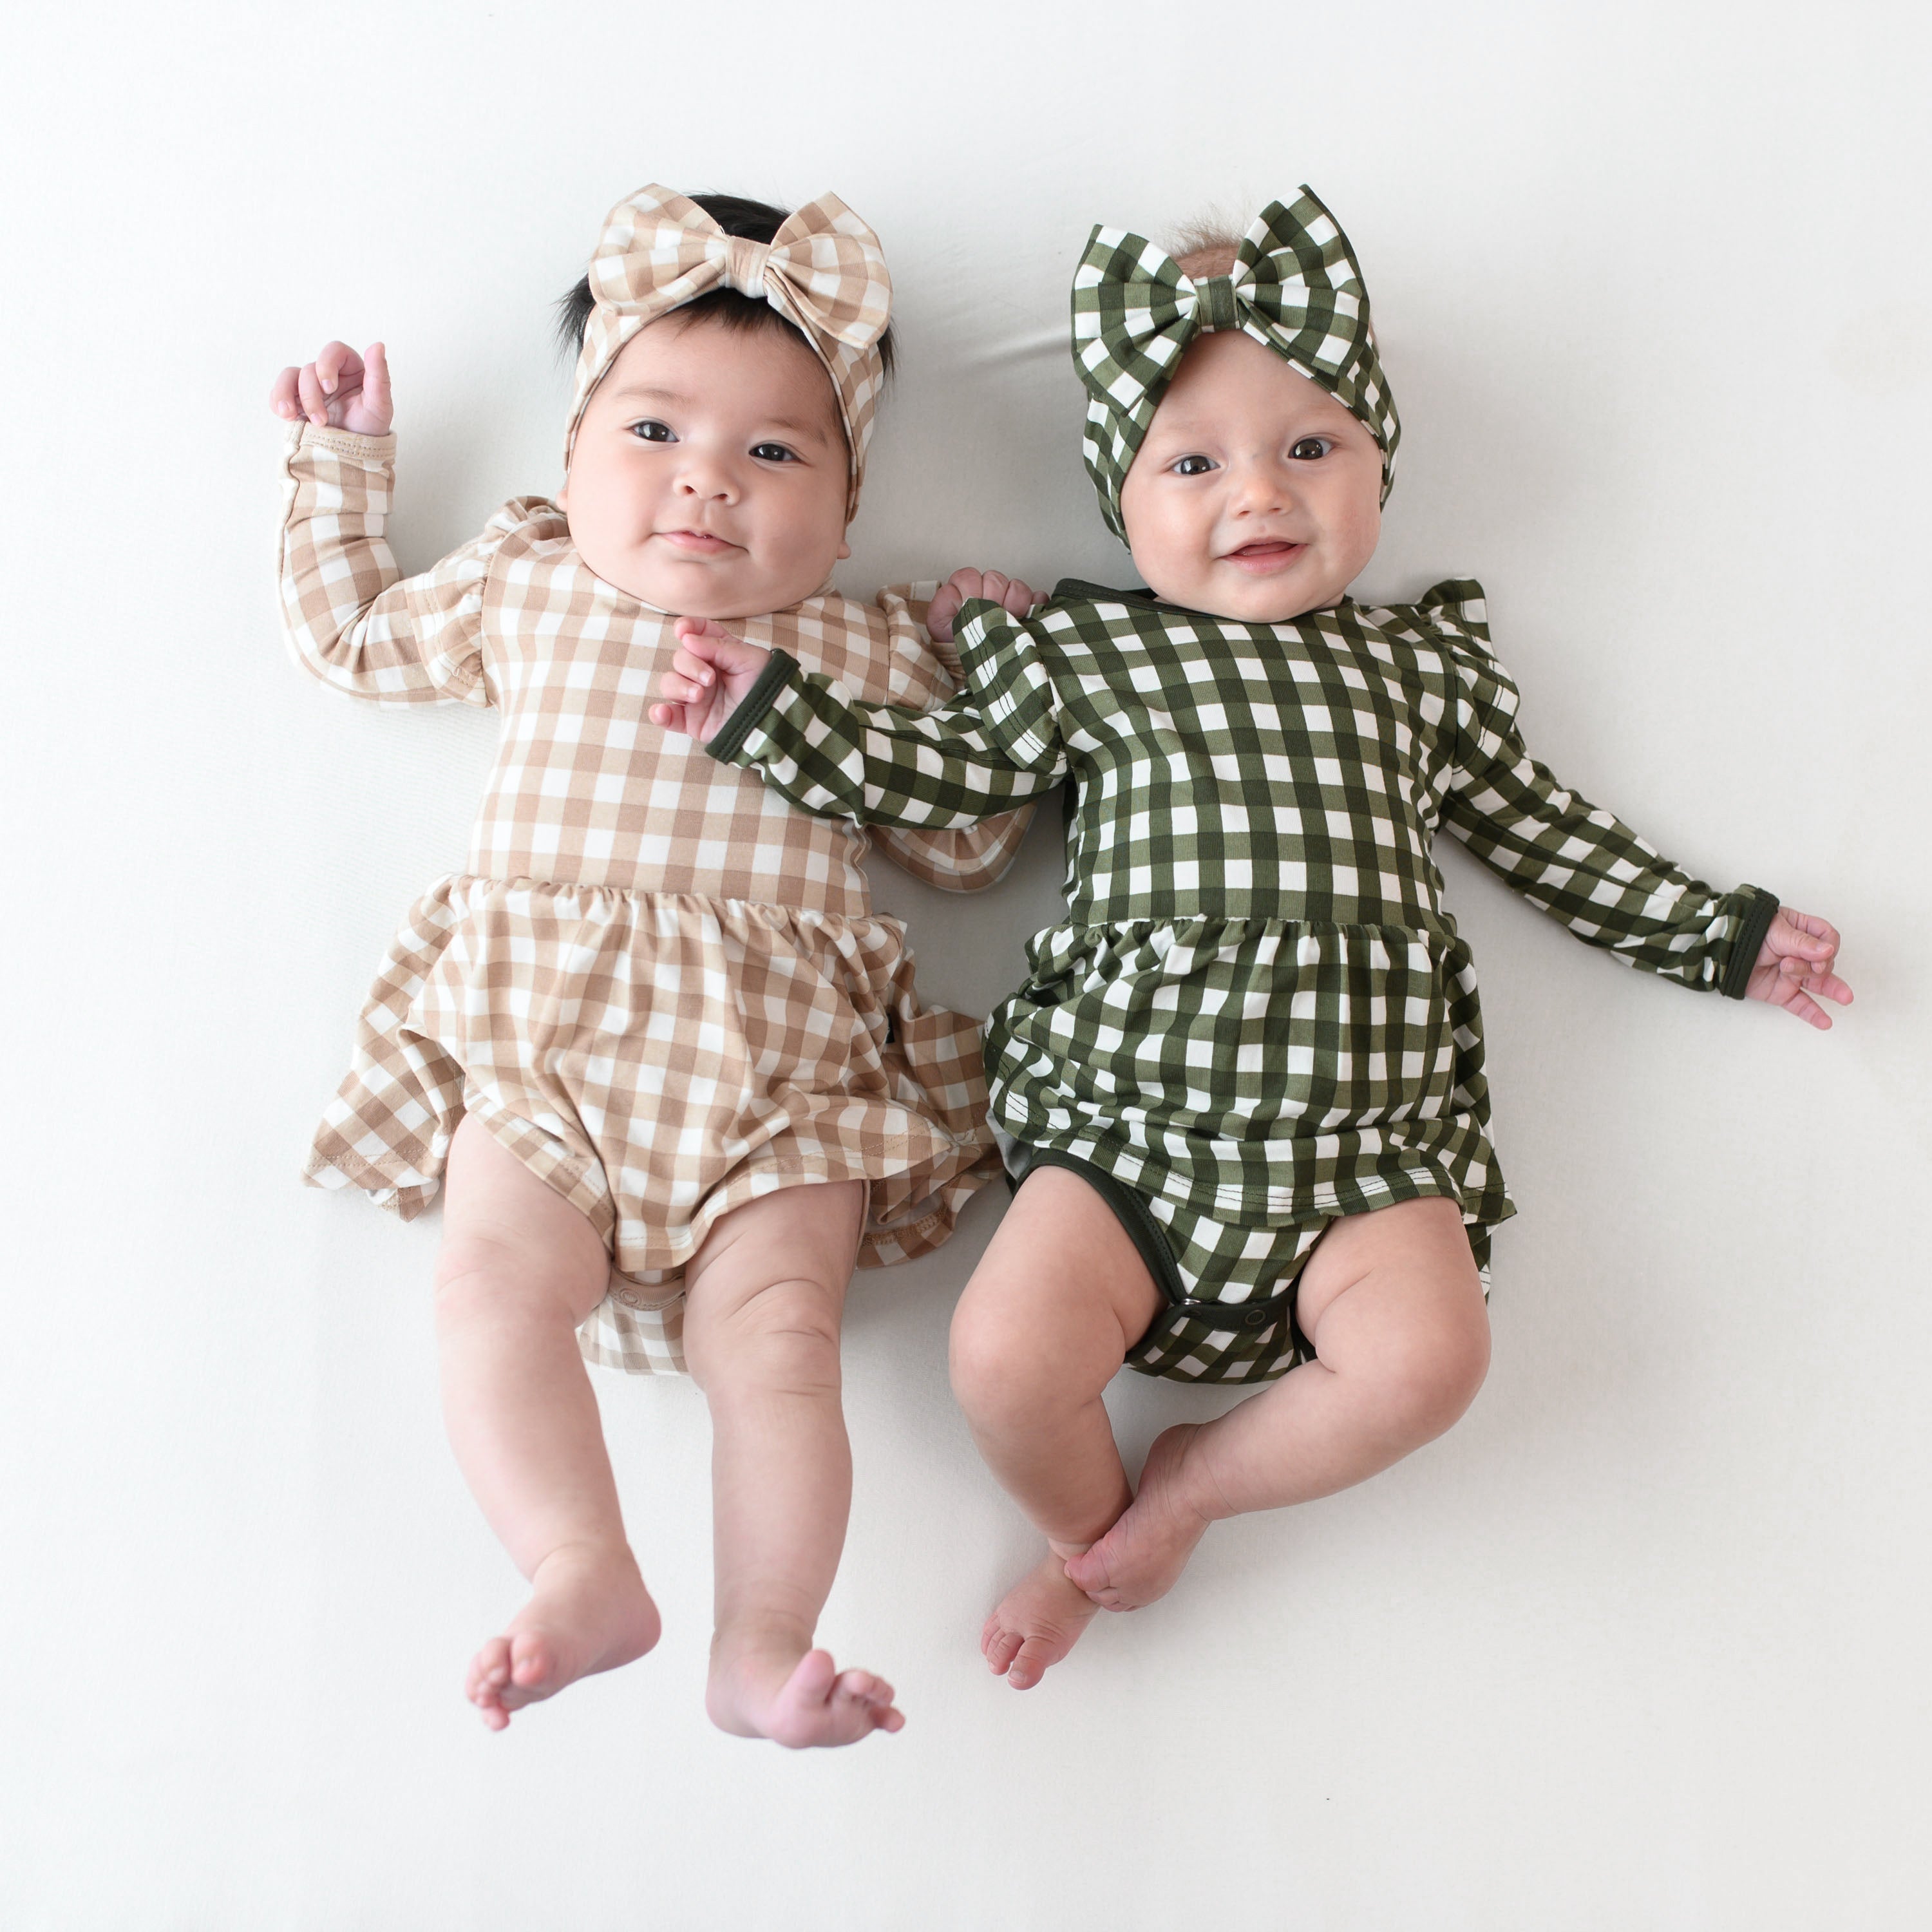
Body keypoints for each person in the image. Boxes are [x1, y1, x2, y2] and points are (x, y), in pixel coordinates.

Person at [652, 187, 1852, 1690]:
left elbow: (1549, 833)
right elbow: (938, 772)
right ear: (1122, 494)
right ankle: (1098, 1539)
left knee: (1434, 1361)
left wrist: (1717, 935)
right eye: (1194, 462)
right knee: (1004, 1363)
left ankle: (1199, 1485)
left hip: (1365, 1151)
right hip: (1131, 1136)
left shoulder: (1417, 674)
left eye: (1309, 449)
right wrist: (771, 710)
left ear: (1376, 464)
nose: (1258, 495)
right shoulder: (1089, 653)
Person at [270, 184, 1037, 1740]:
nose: (707, 485)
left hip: (781, 1079)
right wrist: (340, 471)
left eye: (773, 452)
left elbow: (969, 853)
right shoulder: (530, 581)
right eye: (653, 433)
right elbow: (352, 644)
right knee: (487, 1285)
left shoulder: (865, 646)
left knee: (778, 1347)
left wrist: (988, 668)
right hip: (544, 1043)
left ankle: (761, 1644)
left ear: (845, 504)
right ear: (569, 457)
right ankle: (578, 1564)